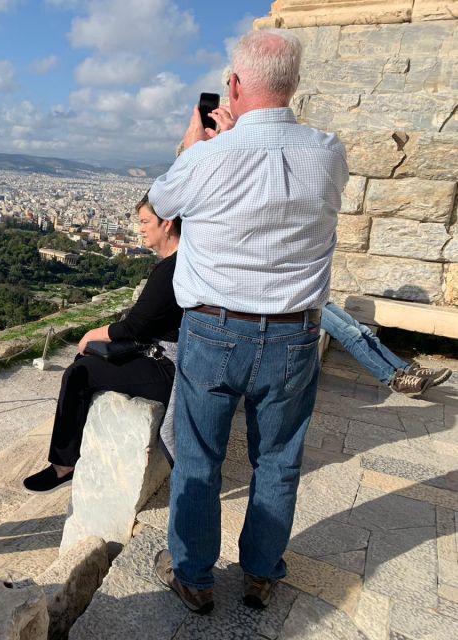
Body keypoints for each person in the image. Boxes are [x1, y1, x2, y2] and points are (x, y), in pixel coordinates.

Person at [148, 29, 349, 614]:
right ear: (293, 86)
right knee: (279, 460)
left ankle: (194, 574)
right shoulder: (328, 150)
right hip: (293, 332)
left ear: (233, 87)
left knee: (199, 457)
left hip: (213, 329)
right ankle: (261, 572)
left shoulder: (209, 157)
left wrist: (194, 142)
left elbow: (161, 203)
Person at [23, 193, 183, 493]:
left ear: (168, 224)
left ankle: (63, 466)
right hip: (169, 359)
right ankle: (69, 458)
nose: (141, 229)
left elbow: (135, 325)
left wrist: (90, 334)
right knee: (85, 367)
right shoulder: (181, 262)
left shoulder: (171, 269)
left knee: (79, 373)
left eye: (146, 221)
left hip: (168, 369)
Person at [322, 301, 451, 394]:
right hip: (306, 304)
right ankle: (395, 380)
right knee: (351, 335)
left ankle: (406, 370)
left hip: (320, 299)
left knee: (364, 331)